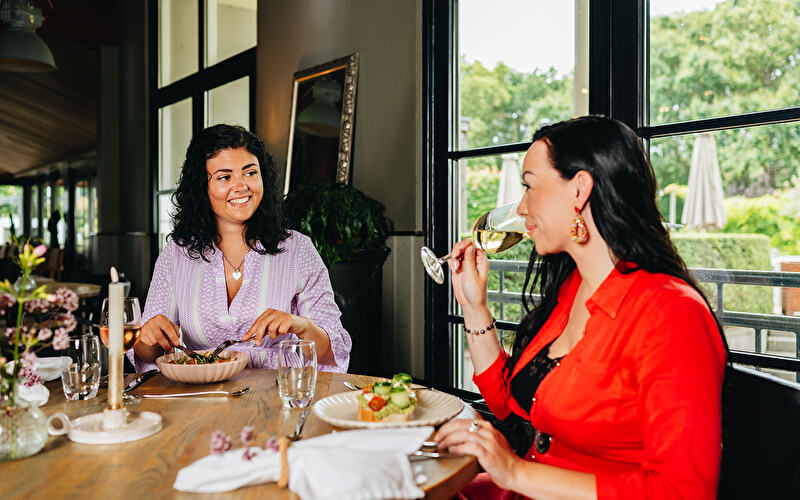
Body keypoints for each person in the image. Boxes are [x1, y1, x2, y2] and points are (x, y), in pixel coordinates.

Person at [435, 116, 727, 499]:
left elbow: (683, 492)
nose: (521, 208)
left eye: (529, 186)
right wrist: (473, 306)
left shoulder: (671, 314)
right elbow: (511, 405)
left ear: (580, 190)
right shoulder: (573, 287)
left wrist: (516, 473)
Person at [129, 124, 351, 372]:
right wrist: (146, 337)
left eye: (250, 173)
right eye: (225, 177)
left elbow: (334, 353)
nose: (242, 186)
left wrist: (300, 325)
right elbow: (147, 353)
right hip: (201, 400)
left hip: (279, 396)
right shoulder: (177, 254)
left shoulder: (298, 249)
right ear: (202, 187)